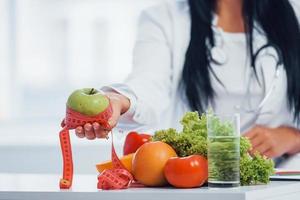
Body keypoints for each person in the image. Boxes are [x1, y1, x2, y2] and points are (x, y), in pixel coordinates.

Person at [74, 0, 300, 159]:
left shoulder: (296, 15)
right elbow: (149, 83)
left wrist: (291, 137)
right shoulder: (163, 17)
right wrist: (119, 100)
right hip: (194, 178)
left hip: (282, 183)